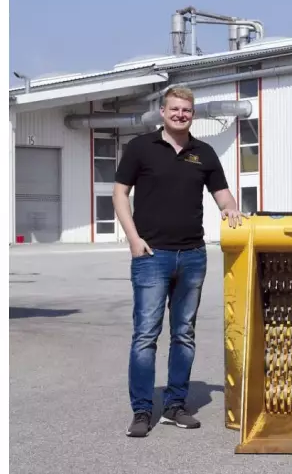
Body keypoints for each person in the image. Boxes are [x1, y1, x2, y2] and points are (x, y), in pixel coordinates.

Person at [112, 86, 244, 438]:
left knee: (184, 334)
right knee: (146, 336)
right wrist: (133, 238)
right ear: (163, 111)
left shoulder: (205, 153)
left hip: (192, 256)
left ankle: (174, 405)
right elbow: (119, 193)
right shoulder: (140, 147)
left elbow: (222, 195)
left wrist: (230, 209)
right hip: (151, 256)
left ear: (193, 114)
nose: (180, 115)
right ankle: (142, 411)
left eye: (186, 110)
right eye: (174, 109)